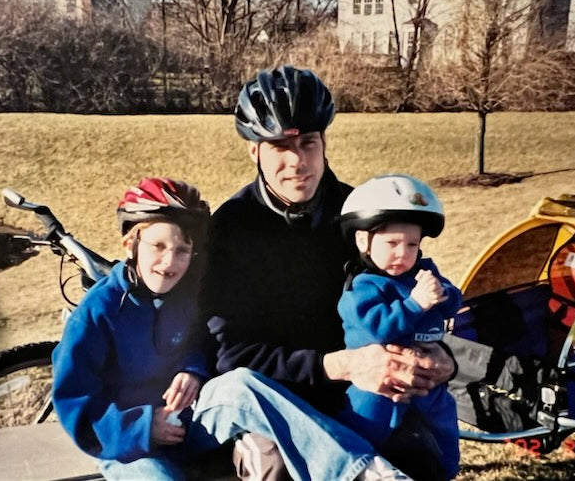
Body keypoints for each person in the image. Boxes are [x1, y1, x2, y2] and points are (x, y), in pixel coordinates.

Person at [51, 177, 412, 481]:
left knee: (240, 384)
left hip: (188, 422)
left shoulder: (186, 294)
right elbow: (76, 405)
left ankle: (360, 471)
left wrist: (193, 369)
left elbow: (198, 342)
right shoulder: (97, 313)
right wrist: (143, 427)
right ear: (131, 244)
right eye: (157, 246)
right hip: (131, 445)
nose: (169, 262)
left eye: (181, 251)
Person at [203, 65, 458, 480]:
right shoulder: (231, 230)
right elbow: (232, 357)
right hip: (282, 397)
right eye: (279, 148)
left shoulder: (362, 215)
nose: (298, 162)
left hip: (367, 392)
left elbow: (420, 295)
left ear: (324, 142)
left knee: (424, 456)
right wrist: (343, 365)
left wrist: (442, 358)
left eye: (308, 143)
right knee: (273, 465)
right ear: (254, 151)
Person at [337, 174, 463, 480]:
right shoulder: (364, 287)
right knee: (363, 430)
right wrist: (416, 304)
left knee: (443, 425)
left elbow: (453, 303)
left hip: (427, 382)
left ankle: (444, 471)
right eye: (392, 243)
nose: (403, 254)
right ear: (363, 241)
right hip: (381, 385)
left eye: (412, 244)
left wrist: (442, 292)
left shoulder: (421, 273)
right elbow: (378, 329)